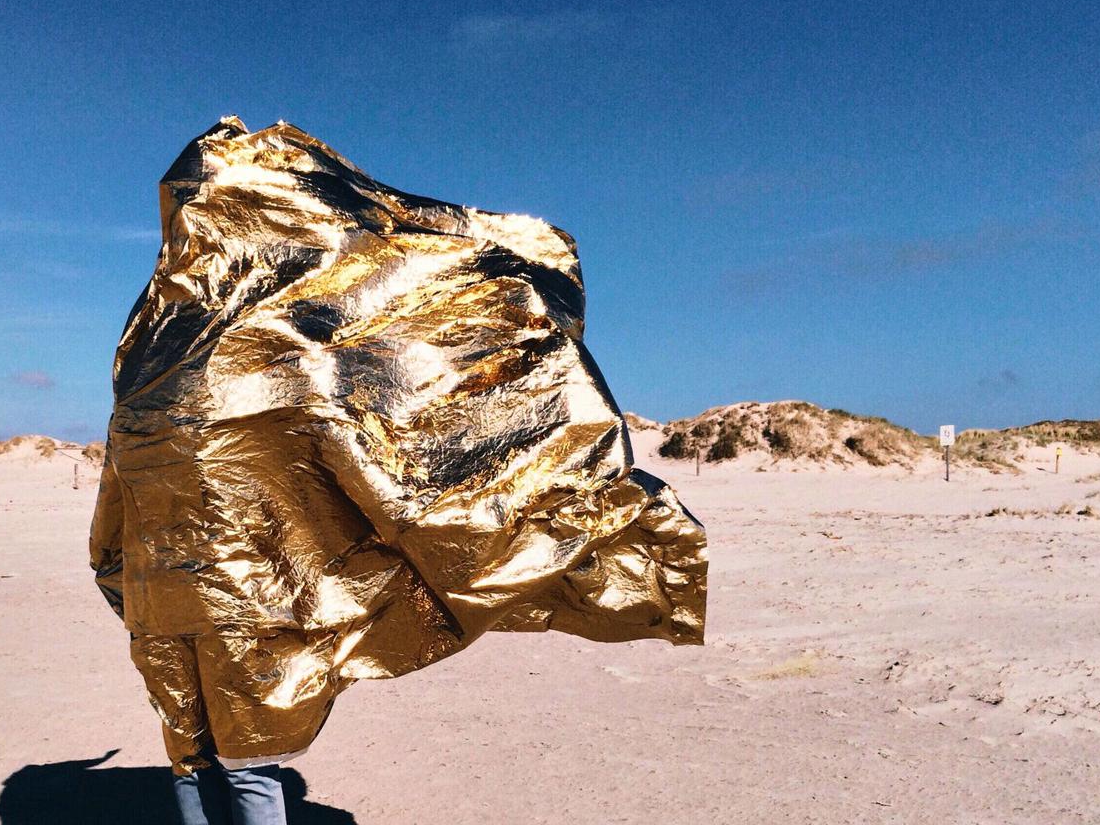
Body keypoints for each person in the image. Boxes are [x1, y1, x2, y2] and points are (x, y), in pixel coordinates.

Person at [89, 118, 707, 825]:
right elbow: (348, 439)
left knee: (191, 753)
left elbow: (116, 493)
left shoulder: (150, 350)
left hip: (161, 596)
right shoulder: (258, 339)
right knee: (249, 762)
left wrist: (116, 570)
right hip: (240, 595)